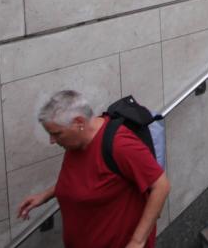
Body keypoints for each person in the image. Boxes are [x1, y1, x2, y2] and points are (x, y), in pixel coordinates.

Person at [17, 90, 170, 248]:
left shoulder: (120, 145)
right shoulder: (76, 141)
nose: (52, 140)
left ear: (79, 122)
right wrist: (46, 195)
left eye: (57, 134)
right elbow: (85, 178)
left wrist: (137, 242)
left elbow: (161, 186)